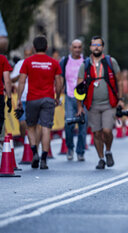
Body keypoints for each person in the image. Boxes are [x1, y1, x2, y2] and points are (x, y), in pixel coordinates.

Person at [76, 36, 123, 169]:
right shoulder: (84, 65)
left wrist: (120, 100)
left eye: (99, 45)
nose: (96, 47)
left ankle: (108, 151)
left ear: (102, 47)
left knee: (107, 131)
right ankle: (101, 158)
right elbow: (79, 88)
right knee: (96, 133)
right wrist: (79, 106)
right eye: (94, 45)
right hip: (92, 105)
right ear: (90, 47)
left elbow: (119, 81)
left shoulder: (110, 61)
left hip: (109, 104)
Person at [17, 36, 63, 170]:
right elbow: (59, 82)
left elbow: (21, 81)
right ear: (47, 47)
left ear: (34, 48)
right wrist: (57, 97)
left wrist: (19, 99)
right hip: (48, 98)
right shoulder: (54, 63)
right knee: (46, 128)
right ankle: (44, 158)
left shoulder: (28, 61)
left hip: (32, 99)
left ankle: (34, 153)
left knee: (31, 127)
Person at [60, 39, 87, 161]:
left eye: (79, 47)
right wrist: (57, 95)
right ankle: (70, 147)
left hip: (84, 99)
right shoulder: (65, 61)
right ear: (71, 48)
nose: (77, 49)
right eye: (74, 47)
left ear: (82, 48)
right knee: (68, 124)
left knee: (82, 126)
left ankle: (80, 151)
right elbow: (60, 79)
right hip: (70, 97)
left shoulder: (86, 62)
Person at [10, 46, 33, 142]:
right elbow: (12, 78)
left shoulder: (35, 63)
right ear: (24, 54)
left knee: (32, 124)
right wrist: (21, 74)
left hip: (33, 98)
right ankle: (25, 142)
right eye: (26, 55)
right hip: (22, 98)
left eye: (29, 55)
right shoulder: (19, 64)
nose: (27, 57)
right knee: (22, 123)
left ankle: (32, 145)